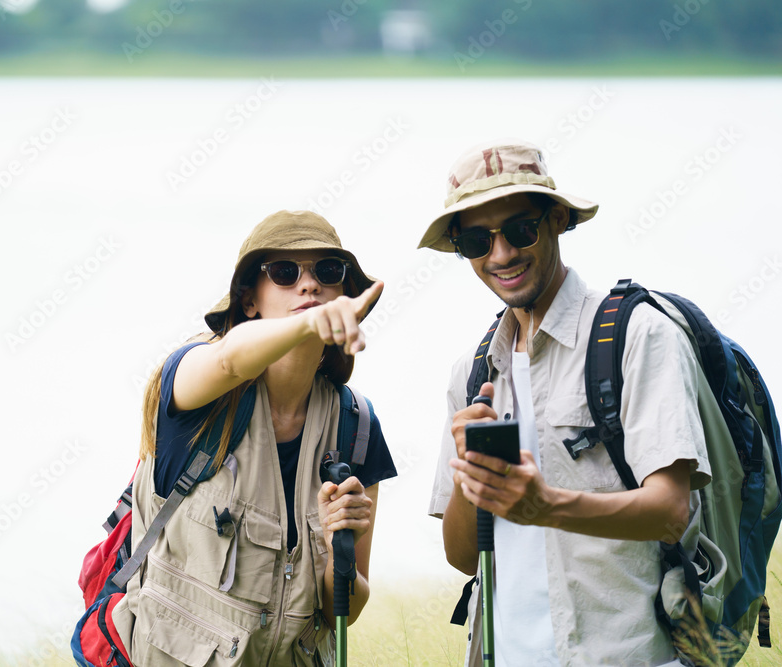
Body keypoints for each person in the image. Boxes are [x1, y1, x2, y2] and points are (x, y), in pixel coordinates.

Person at [419, 141, 711, 666]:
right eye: (476, 241)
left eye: (519, 230)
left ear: (557, 220)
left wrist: (546, 506)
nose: (500, 255)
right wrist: (468, 476)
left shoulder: (638, 335)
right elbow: (463, 557)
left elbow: (670, 510)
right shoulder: (473, 372)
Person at [116, 210, 397, 666]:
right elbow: (230, 360)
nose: (309, 285)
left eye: (327, 272)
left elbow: (343, 612)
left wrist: (337, 549)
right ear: (249, 301)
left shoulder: (356, 424)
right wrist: (310, 323)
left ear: (344, 292)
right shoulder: (198, 386)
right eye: (285, 273)